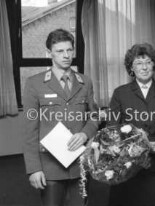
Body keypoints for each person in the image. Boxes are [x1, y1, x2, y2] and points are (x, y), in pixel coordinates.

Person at [23, 28, 99, 206]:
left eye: (69, 50)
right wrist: (33, 169)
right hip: (51, 167)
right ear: (49, 53)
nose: (66, 55)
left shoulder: (85, 81)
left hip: (80, 164)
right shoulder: (35, 84)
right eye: (59, 51)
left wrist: (85, 134)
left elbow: (94, 115)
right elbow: (30, 132)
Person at [108, 43, 155, 206]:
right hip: (129, 165)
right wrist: (129, 142)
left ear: (154, 65)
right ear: (131, 68)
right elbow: (112, 127)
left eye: (148, 62)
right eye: (138, 63)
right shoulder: (120, 93)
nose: (144, 67)